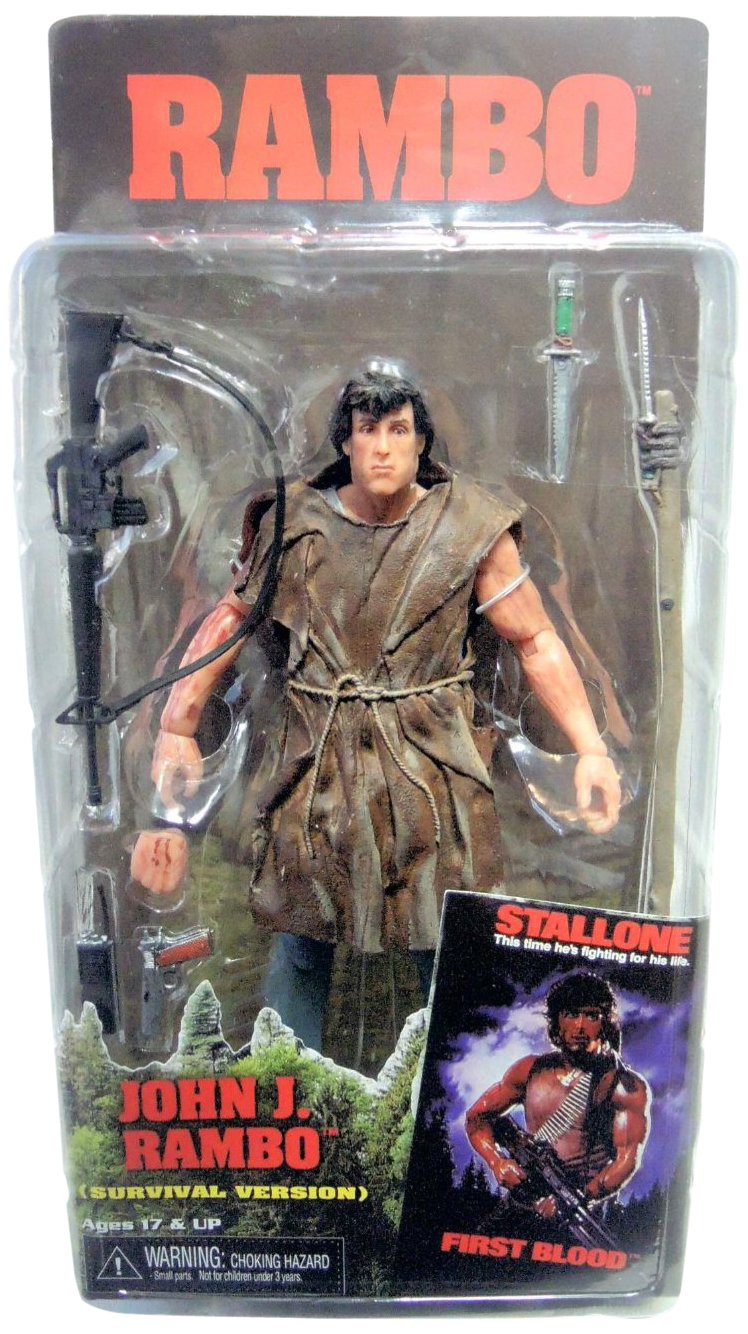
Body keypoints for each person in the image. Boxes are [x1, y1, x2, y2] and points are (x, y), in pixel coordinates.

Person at [131, 370, 621, 1047]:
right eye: (368, 431)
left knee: (443, 937)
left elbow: (535, 639)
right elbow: (230, 620)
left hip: (432, 764)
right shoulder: (296, 523)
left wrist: (590, 747)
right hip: (318, 761)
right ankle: (286, 1082)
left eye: (399, 430)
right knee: (303, 934)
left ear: (422, 443)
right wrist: (176, 725)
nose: (384, 447)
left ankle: (459, 1080)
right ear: (346, 442)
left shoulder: (471, 525)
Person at [465, 972, 650, 1215]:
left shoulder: (622, 1086)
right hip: (526, 1200)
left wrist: (581, 1198)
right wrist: (497, 1161)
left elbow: (626, 1161)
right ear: (556, 1021)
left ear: (604, 1023)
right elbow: (476, 1119)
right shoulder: (529, 1070)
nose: (580, 1026)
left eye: (591, 1015)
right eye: (571, 1014)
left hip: (580, 1211)